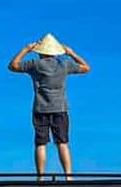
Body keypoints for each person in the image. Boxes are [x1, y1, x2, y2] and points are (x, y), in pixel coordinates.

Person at [8, 33, 90, 176]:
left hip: (40, 108)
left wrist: (25, 49)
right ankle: (68, 176)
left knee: (40, 144)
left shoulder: (34, 64)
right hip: (60, 108)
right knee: (62, 143)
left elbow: (12, 66)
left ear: (41, 51)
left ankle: (40, 176)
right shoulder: (64, 64)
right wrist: (71, 53)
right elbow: (85, 67)